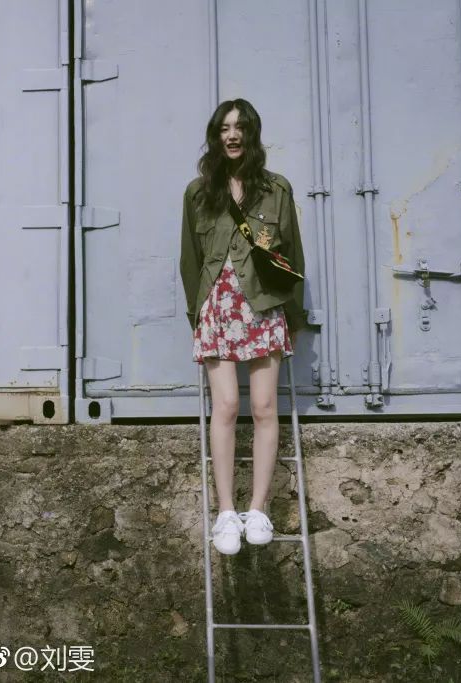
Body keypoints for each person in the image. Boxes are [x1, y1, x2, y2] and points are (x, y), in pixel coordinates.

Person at [178, 98, 307, 555]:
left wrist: (293, 316)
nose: (232, 136)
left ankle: (258, 509)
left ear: (252, 134)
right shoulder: (198, 192)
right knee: (228, 406)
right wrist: (198, 317)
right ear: (215, 136)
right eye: (224, 128)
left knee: (265, 406)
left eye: (240, 128)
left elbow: (291, 255)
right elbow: (189, 261)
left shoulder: (276, 189)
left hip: (264, 305)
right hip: (217, 307)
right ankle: (226, 512)